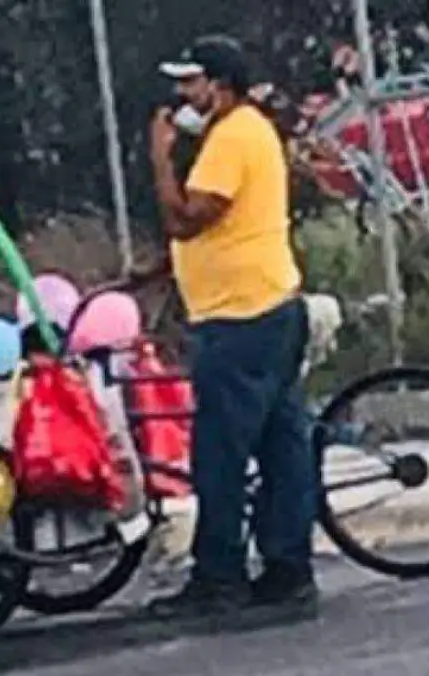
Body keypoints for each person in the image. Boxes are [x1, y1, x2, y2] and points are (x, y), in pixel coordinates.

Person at [146, 35, 318, 618]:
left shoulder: (233, 136)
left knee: (219, 452)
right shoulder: (247, 133)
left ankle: (219, 576)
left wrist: (161, 157)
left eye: (190, 83)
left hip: (242, 317)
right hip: (269, 305)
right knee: (280, 444)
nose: (180, 96)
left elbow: (189, 220)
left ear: (218, 87)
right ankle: (287, 568)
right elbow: (225, 228)